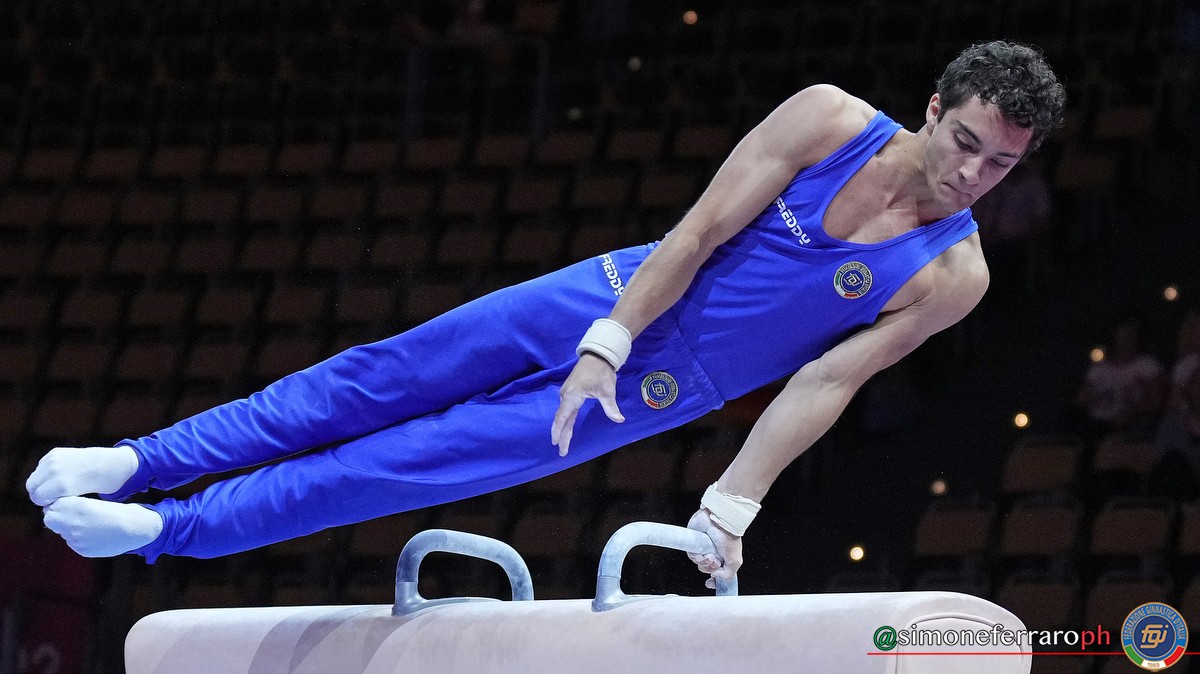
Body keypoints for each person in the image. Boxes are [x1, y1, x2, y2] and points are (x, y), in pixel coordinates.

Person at [28, 41, 1065, 589]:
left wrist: (732, 506)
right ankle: (138, 459)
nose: (974, 174)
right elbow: (701, 229)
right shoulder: (830, 118)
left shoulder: (953, 274)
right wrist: (604, 343)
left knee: (409, 463)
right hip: (611, 295)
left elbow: (828, 377)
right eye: (966, 143)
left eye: (1002, 165)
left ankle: (165, 529)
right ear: (935, 108)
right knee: (375, 379)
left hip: (664, 389)